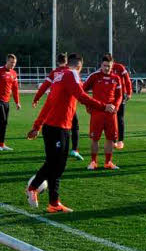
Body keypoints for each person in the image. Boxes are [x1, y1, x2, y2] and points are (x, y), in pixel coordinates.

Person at [26, 53, 114, 212]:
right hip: (56, 128)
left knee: (58, 165)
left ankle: (54, 203)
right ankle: (32, 187)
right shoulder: (72, 74)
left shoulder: (60, 76)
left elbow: (49, 103)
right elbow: (81, 95)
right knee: (54, 164)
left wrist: (37, 126)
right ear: (79, 66)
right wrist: (103, 106)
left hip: (59, 127)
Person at [33, 53, 82, 160]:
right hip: (69, 106)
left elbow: (44, 86)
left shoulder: (55, 72)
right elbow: (80, 90)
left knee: (56, 126)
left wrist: (36, 98)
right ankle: (74, 150)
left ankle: (56, 150)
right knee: (74, 126)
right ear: (67, 61)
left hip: (55, 104)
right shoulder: (71, 72)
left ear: (57, 62)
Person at [82, 55, 123, 170]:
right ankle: (93, 162)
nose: (106, 68)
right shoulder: (94, 77)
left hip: (111, 113)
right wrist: (89, 105)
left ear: (112, 66)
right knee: (95, 138)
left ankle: (108, 162)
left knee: (110, 138)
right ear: (101, 65)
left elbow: (119, 95)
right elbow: (82, 92)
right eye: (104, 66)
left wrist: (116, 106)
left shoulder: (116, 78)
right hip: (97, 112)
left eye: (108, 66)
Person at [0, 54, 21, 151]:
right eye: (11, 62)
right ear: (7, 61)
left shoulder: (14, 73)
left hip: (6, 101)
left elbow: (15, 89)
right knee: (1, 121)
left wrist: (17, 102)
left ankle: (2, 143)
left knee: (5, 122)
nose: (13, 64)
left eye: (14, 63)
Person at [110, 59, 133, 149]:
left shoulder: (120, 67)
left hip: (120, 96)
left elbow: (127, 80)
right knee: (111, 119)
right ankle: (112, 140)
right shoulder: (104, 69)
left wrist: (129, 92)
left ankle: (120, 140)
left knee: (119, 118)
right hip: (110, 97)